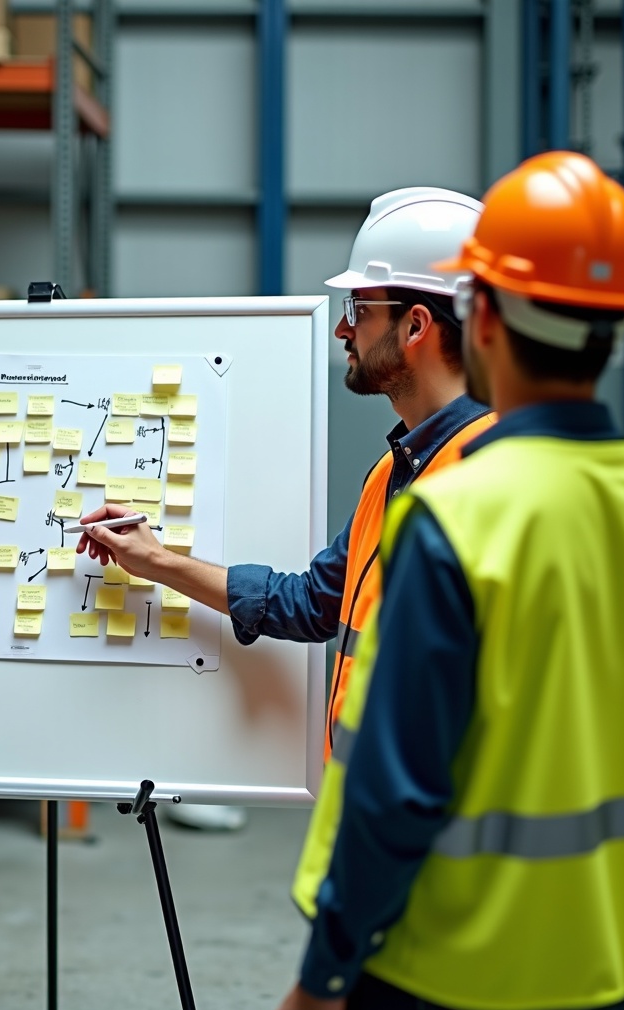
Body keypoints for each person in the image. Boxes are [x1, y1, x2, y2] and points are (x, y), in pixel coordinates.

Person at [274, 152, 624, 1010]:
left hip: (437, 979)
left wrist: (323, 981)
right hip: (606, 979)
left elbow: (396, 792)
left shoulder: (454, 516)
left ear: (484, 317)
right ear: (619, 327)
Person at [78, 188, 493, 831]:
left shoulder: (491, 481)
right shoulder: (395, 473)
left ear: (414, 326)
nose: (342, 329)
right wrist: (156, 560)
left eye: (359, 307)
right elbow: (308, 604)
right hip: (373, 828)